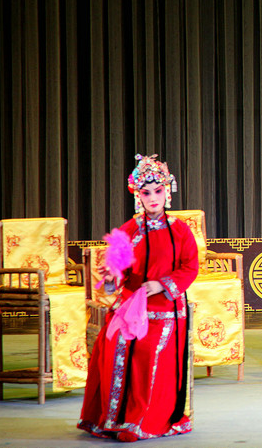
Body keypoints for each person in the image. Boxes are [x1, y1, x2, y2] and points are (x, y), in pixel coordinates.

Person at [79, 154, 199, 441]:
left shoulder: (180, 230)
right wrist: (111, 278)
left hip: (166, 309)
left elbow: (190, 267)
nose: (153, 198)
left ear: (167, 192)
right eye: (146, 193)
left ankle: (140, 421)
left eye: (158, 191)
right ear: (138, 196)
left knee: (146, 353)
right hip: (131, 307)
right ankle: (113, 418)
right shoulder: (128, 231)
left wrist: (161, 285)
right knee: (110, 344)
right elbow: (115, 277)